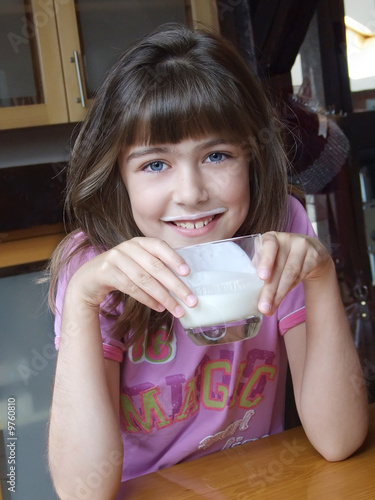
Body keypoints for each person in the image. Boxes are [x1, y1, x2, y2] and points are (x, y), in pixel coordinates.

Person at [47, 24, 368, 500]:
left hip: (262, 482)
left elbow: (339, 440)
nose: (192, 193)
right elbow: (81, 492)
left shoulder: (280, 229)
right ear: (119, 175)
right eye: (155, 164)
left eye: (217, 155)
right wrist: (80, 301)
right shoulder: (94, 266)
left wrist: (319, 278)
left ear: (251, 159)